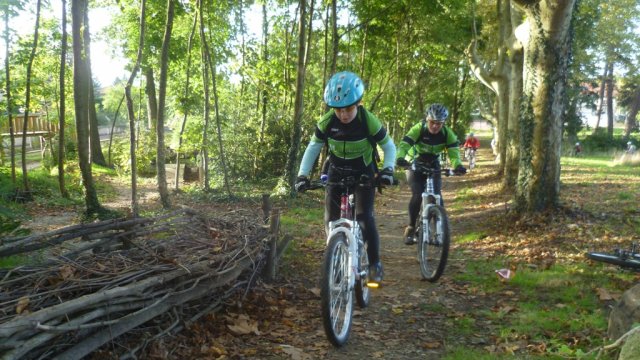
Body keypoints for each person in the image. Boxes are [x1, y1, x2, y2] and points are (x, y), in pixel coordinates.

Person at [295, 71, 396, 284]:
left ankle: (374, 264)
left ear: (358, 103)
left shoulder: (367, 120)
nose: (343, 114)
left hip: (364, 171)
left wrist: (387, 170)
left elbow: (389, 146)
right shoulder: (326, 122)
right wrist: (302, 175)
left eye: (348, 108)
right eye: (338, 109)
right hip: (336, 170)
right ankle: (335, 255)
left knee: (365, 218)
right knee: (330, 220)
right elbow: (313, 148)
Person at [395, 103, 466, 245]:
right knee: (417, 194)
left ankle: (439, 229)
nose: (435, 126)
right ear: (427, 120)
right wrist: (400, 158)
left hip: (433, 164)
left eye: (438, 124)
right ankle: (410, 227)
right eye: (432, 122)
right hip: (415, 163)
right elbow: (405, 144)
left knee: (437, 195)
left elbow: (454, 153)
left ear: (443, 123)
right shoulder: (418, 129)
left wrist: (457, 165)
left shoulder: (447, 134)